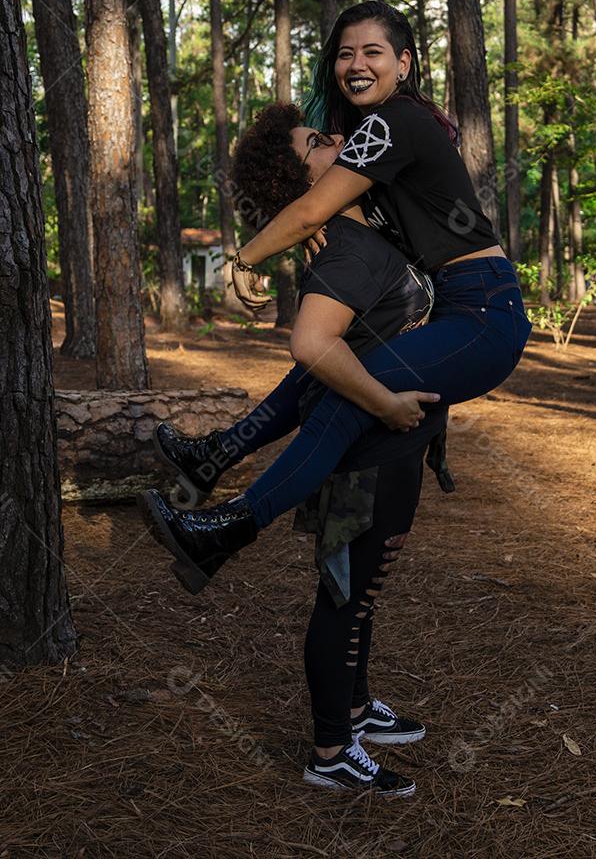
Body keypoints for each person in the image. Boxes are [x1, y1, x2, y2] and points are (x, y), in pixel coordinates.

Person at [140, 0, 531, 598]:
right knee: (335, 376)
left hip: (484, 311)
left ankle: (227, 526)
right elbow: (330, 214)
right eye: (345, 53)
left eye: (373, 52)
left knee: (350, 395)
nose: (356, 64)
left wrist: (246, 256)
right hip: (455, 308)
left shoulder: (395, 121)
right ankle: (216, 463)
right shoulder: (375, 140)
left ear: (403, 63)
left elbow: (310, 211)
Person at [143, 102, 454, 796]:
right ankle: (331, 749)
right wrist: (386, 404)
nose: (339, 141)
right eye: (319, 142)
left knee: (364, 592)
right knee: (347, 594)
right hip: (370, 448)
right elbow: (311, 353)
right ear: (299, 181)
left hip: (396, 444)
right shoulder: (346, 254)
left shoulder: (368, 226)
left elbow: (435, 133)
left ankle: (351, 709)